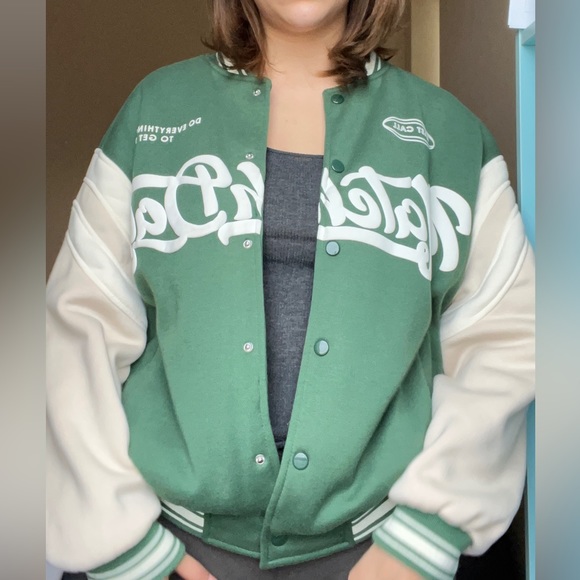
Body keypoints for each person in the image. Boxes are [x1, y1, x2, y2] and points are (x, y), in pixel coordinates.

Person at [46, 0, 535, 578]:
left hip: (380, 543)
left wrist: (425, 537)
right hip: (173, 538)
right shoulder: (156, 109)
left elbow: (506, 337)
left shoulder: (449, 133)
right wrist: (123, 548)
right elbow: (79, 327)